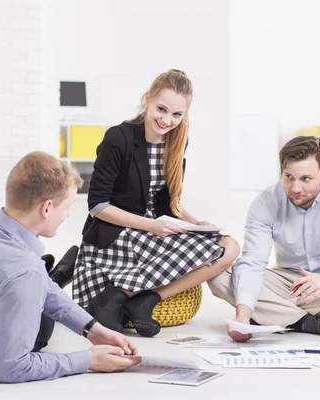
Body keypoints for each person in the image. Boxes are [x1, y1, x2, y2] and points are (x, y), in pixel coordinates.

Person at [0, 152, 141, 383]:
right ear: (46, 208)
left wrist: (92, 328)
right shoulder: (26, 274)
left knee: (37, 278)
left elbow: (27, 277)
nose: (68, 214)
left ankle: (52, 273)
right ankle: (55, 274)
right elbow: (11, 367)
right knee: (40, 294)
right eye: (68, 206)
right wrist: (89, 359)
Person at [72, 69, 240, 337]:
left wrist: (196, 223)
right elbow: (97, 206)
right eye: (161, 109)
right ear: (147, 99)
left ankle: (146, 299)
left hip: (154, 230)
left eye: (177, 114)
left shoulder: (176, 143)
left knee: (229, 247)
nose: (167, 120)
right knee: (206, 250)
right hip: (118, 233)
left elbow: (169, 203)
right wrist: (151, 226)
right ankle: (115, 298)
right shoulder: (119, 138)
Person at [208, 136, 320, 341]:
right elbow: (254, 261)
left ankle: (279, 315)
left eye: (306, 179)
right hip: (290, 284)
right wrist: (243, 317)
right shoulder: (266, 202)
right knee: (219, 274)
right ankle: (312, 324)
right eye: (288, 177)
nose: (296, 188)